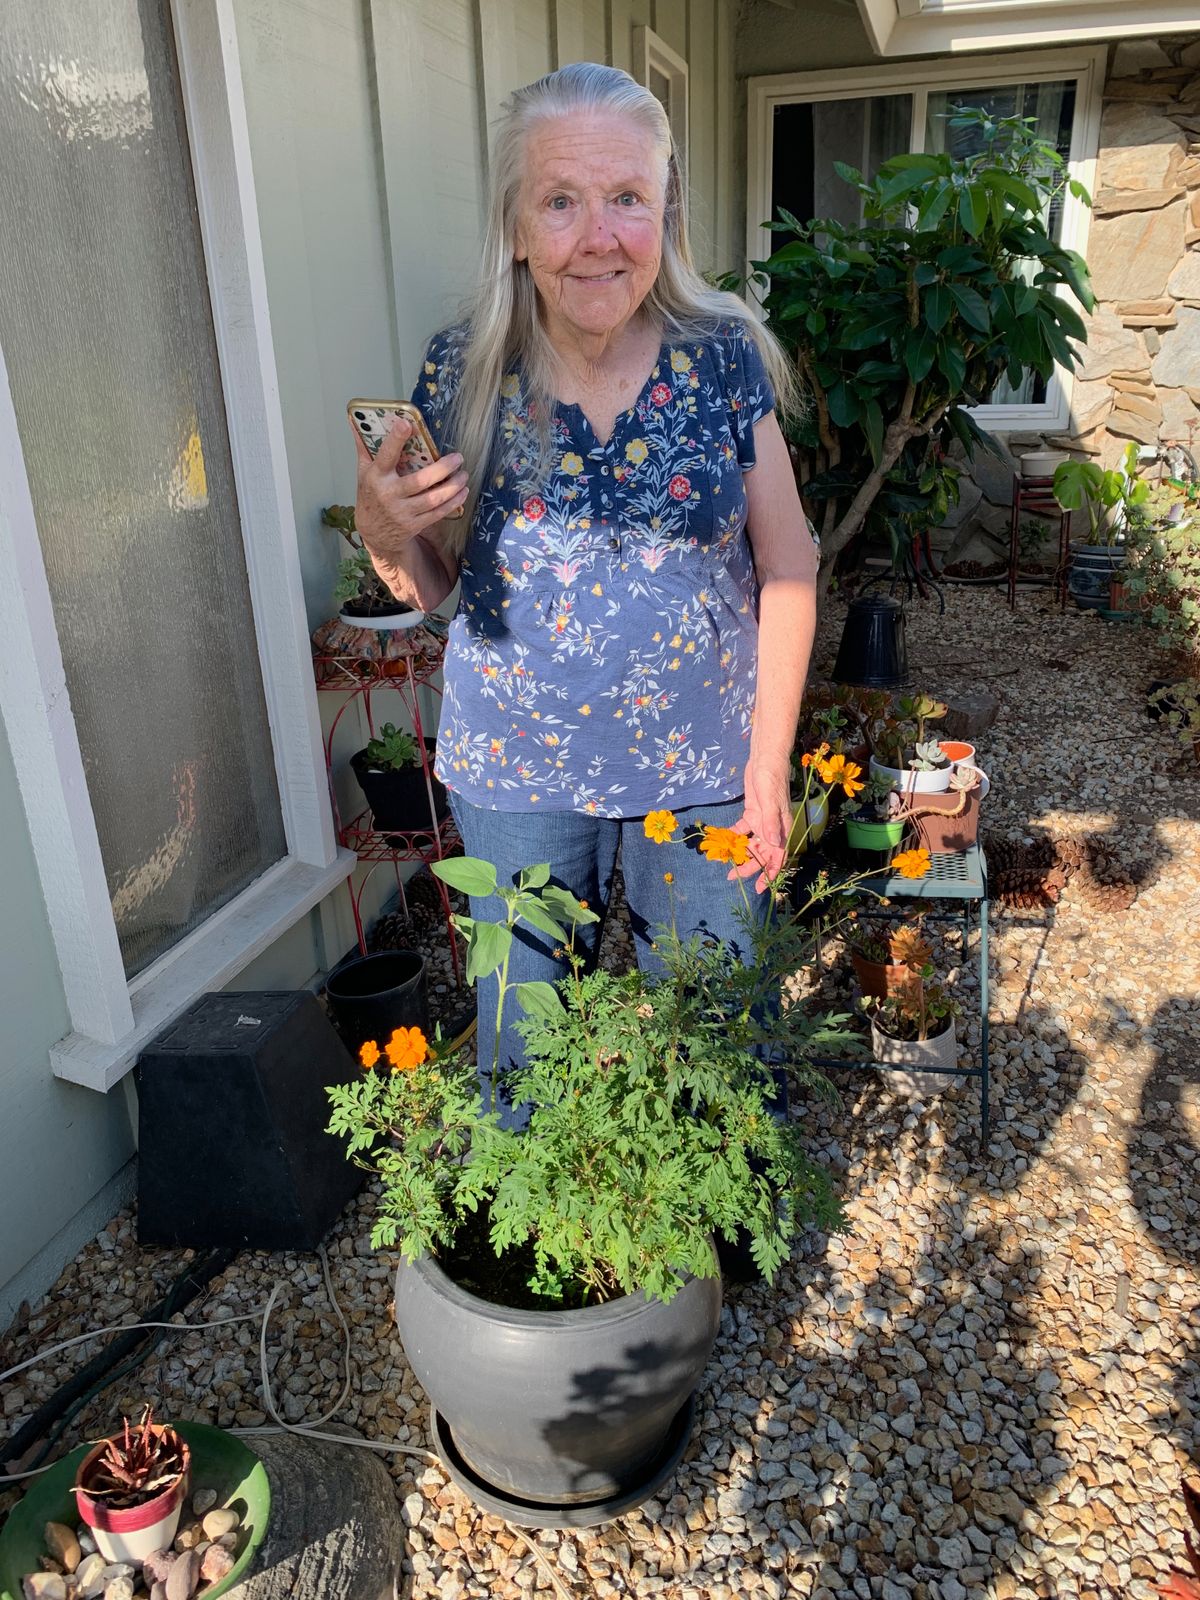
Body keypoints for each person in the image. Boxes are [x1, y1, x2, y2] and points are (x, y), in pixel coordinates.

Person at [352, 62, 818, 1114]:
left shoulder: (724, 358)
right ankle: (540, 1256)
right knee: (523, 1053)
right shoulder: (462, 369)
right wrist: (383, 530)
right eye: (561, 201)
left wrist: (767, 760)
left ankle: (715, 1252)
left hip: (701, 767)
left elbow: (789, 563)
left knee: (713, 1039)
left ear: (665, 214)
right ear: (517, 225)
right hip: (517, 773)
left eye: (627, 199)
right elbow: (433, 586)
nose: (597, 235)